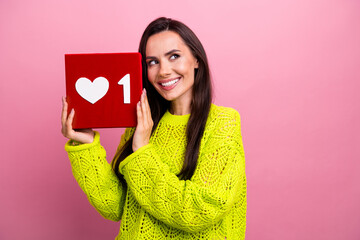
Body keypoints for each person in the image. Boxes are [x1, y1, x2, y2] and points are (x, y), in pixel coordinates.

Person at [61, 17, 246, 239]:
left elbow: (199, 212)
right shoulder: (143, 121)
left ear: (196, 59)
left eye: (174, 56)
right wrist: (87, 146)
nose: (163, 71)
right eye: (152, 62)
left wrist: (142, 151)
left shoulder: (223, 122)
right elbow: (116, 206)